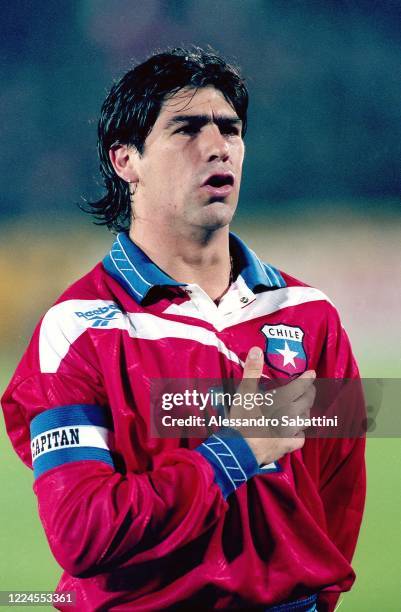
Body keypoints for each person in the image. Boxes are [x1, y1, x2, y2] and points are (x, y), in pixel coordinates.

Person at [1, 47, 365, 611]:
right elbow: (82, 531)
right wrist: (236, 451)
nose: (218, 146)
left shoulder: (310, 315)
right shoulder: (77, 330)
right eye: (186, 129)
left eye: (231, 129)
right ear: (126, 160)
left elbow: (337, 505)